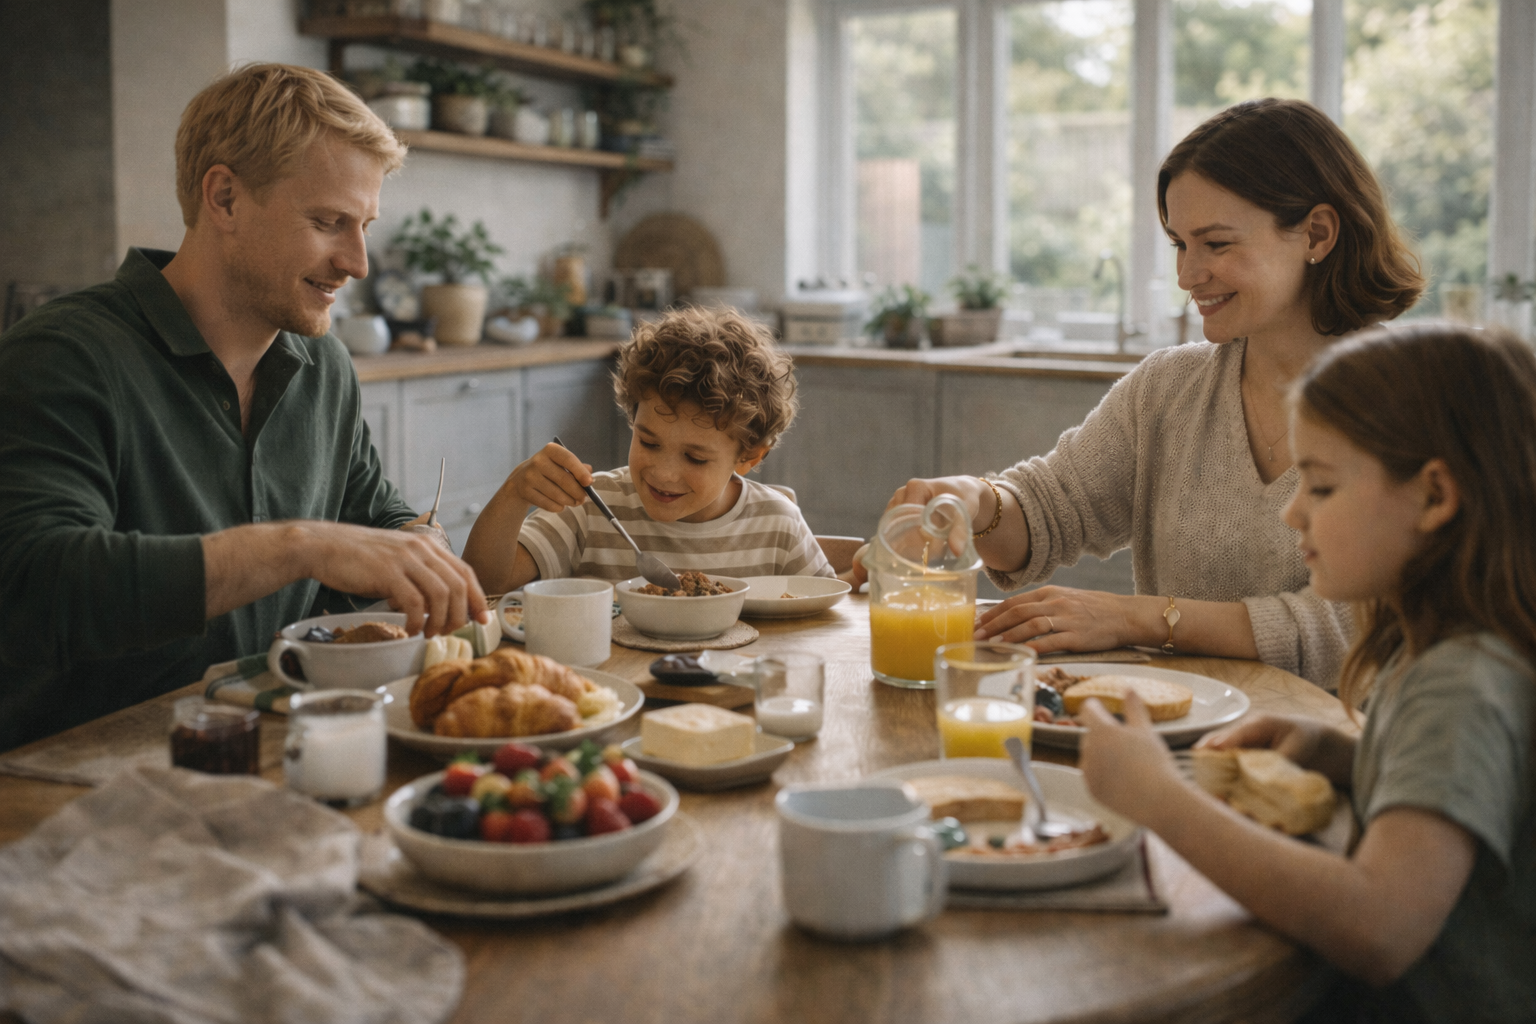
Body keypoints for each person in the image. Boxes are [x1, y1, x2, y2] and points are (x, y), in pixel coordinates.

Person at [0, 64, 487, 752]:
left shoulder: (324, 367)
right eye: (328, 222)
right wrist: (300, 546)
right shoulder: (64, 356)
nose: (358, 263)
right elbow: (31, 584)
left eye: (365, 226)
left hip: (265, 749)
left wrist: (413, 542)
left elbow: (368, 514)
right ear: (224, 198)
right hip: (68, 783)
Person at [865, 98, 1423, 688]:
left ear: (1317, 232)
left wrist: (1138, 619)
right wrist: (974, 500)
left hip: (1342, 755)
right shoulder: (1169, 389)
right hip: (1182, 737)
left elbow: (1357, 629)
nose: (1187, 275)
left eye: (1216, 244)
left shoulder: (1412, 402)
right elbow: (1049, 510)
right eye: (1180, 244)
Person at [1078, 323, 1536, 1021]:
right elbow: (1463, 795)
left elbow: (1380, 927)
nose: (1292, 511)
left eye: (1319, 486)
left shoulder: (1461, 682)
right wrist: (1340, 754)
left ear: (1435, 496)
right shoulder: (1460, 652)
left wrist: (1158, 801)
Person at [464, 307, 834, 591]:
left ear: (749, 456)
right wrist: (513, 494)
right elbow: (485, 587)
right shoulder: (590, 508)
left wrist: (871, 567)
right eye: (648, 441)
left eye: (695, 457)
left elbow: (828, 613)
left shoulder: (777, 525)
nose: (662, 473)